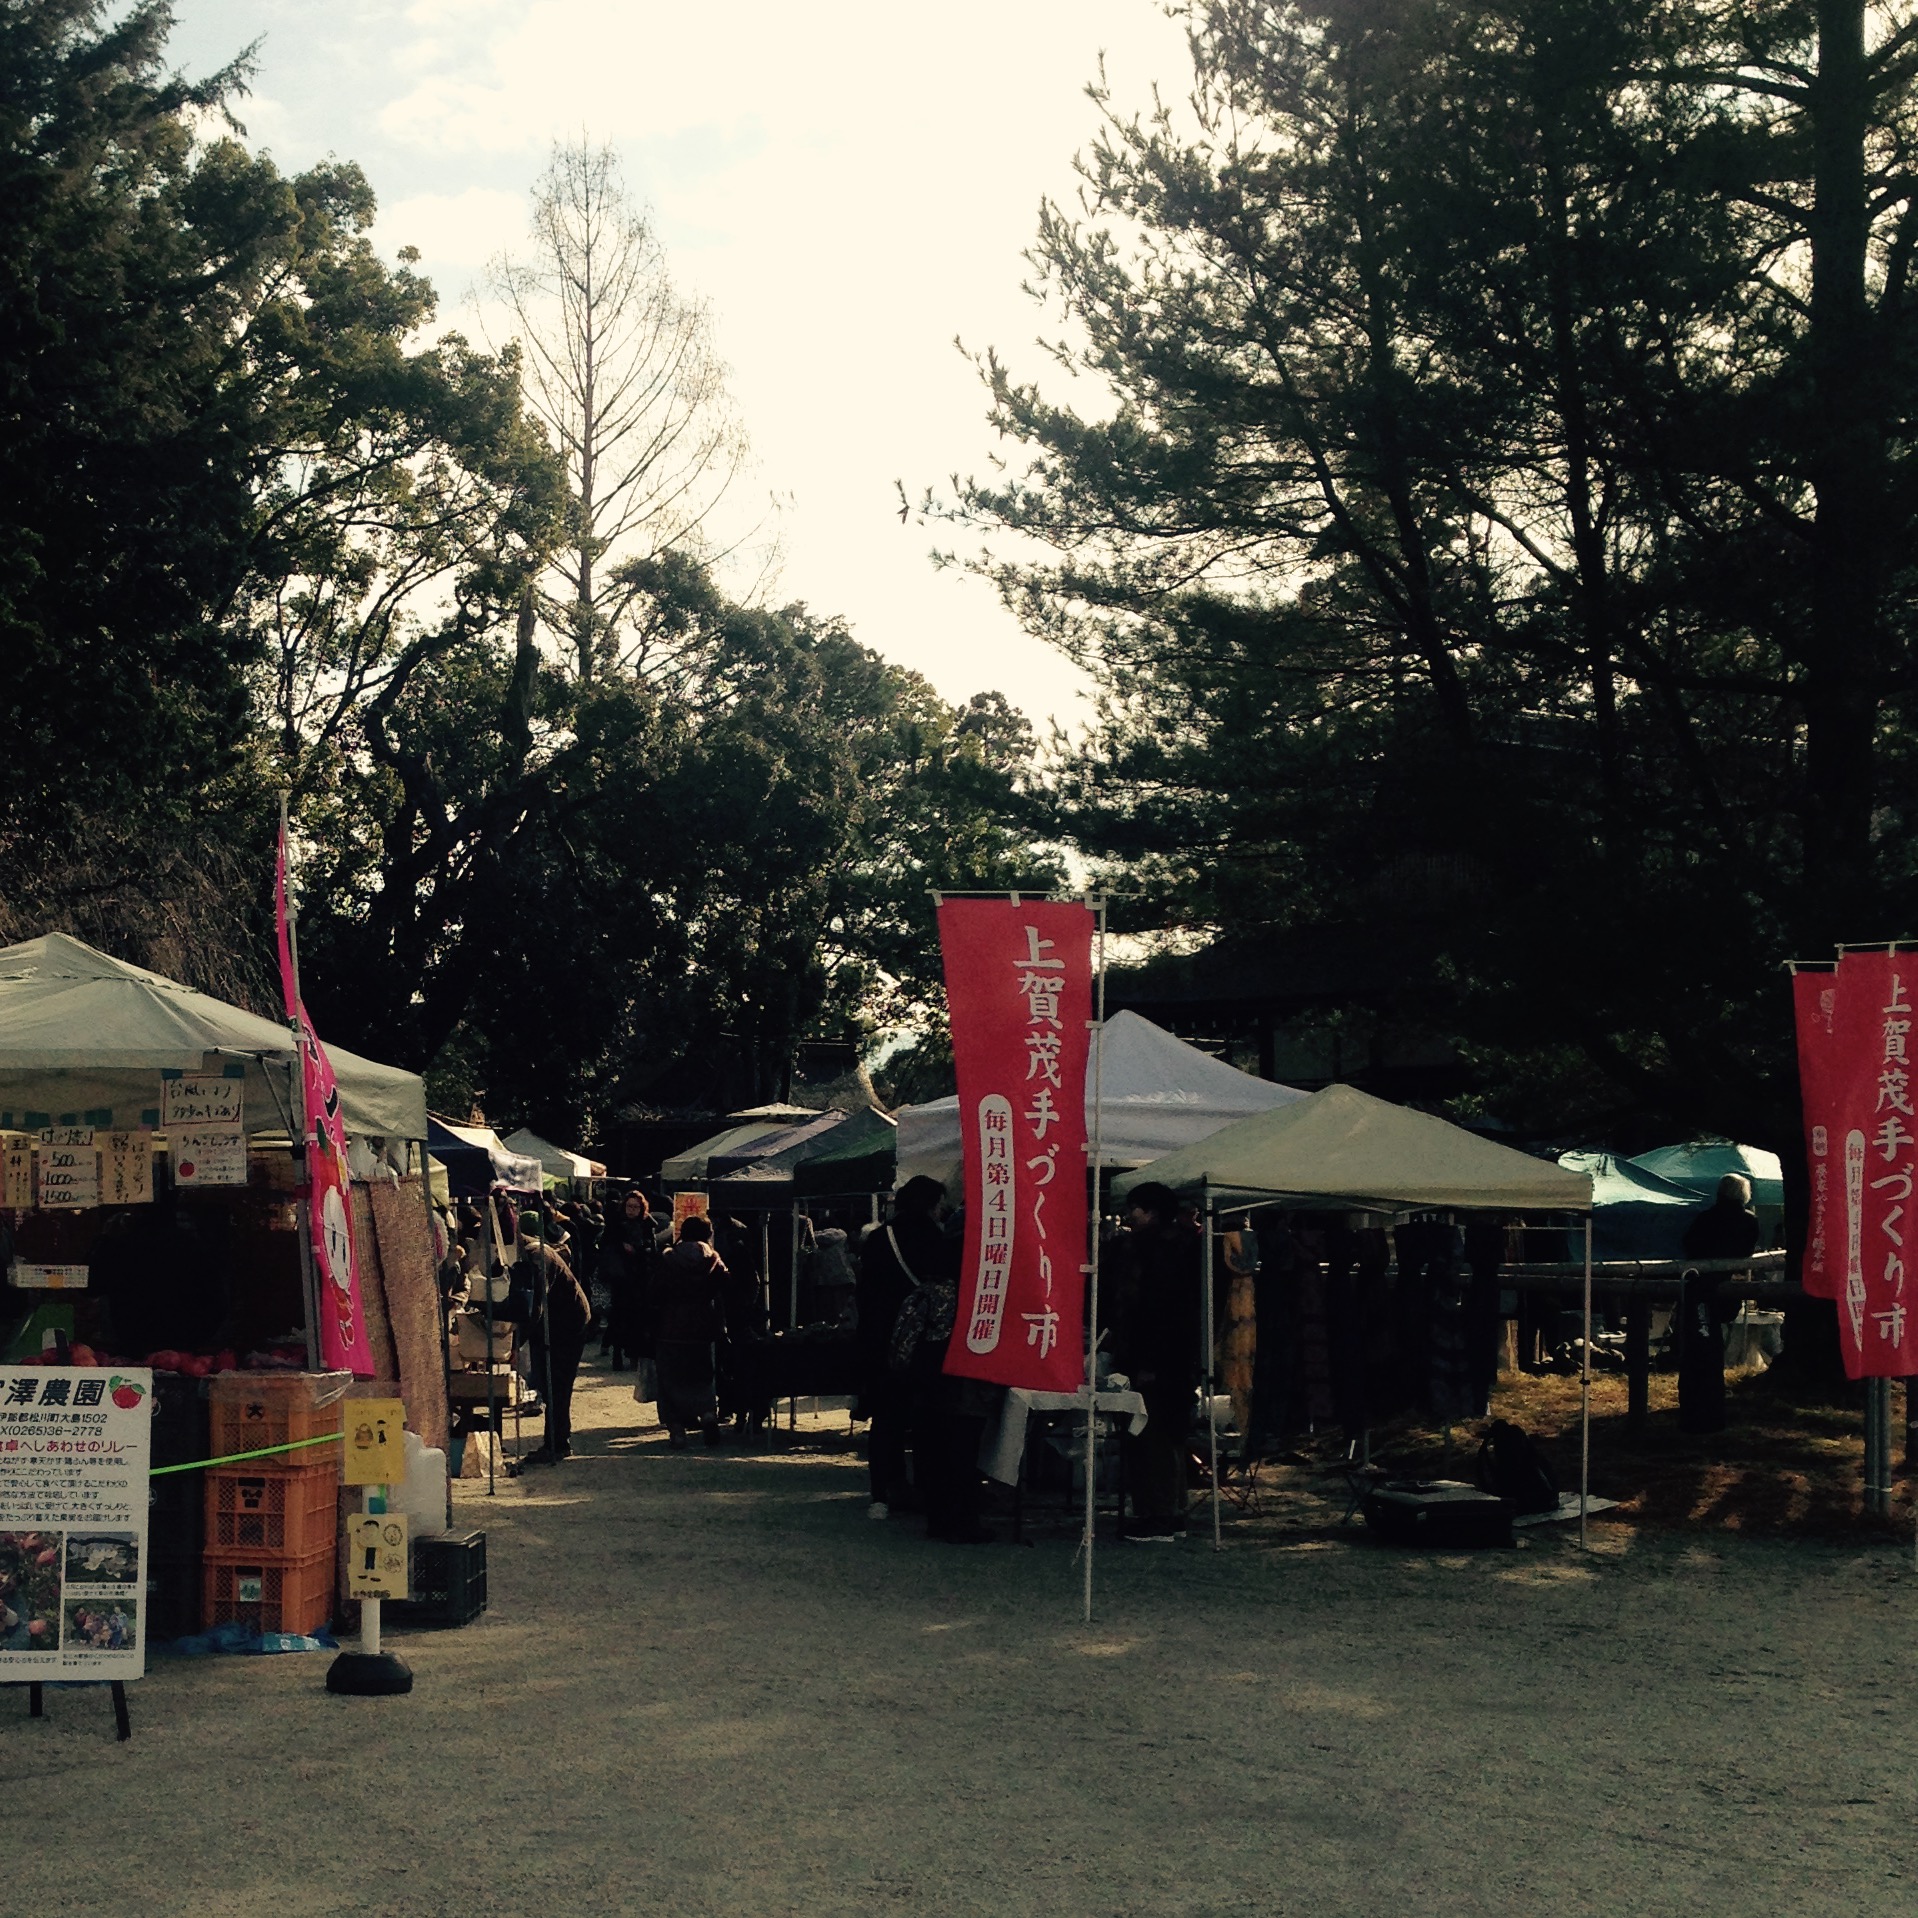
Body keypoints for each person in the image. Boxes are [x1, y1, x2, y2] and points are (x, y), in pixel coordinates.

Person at [1112, 1181, 1203, 1541]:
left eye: (1134, 1208)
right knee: (1168, 1435)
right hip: (1175, 1359)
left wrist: (1147, 1360)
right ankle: (1171, 1512)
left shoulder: (1155, 1251)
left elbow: (1157, 1311)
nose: (1128, 1215)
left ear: (1150, 1211)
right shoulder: (1181, 1246)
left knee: (1151, 1434)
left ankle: (1158, 1515)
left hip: (1156, 1358)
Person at [857, 1176, 947, 1520]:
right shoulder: (936, 1239)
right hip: (925, 1344)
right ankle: (924, 1490)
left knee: (885, 1423)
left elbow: (864, 1294)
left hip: (881, 1342)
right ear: (930, 1204)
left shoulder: (880, 1238)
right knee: (927, 1423)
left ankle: (880, 1494)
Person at [1678, 1173, 1759, 1435]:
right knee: (1713, 1352)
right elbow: (1746, 1252)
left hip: (1698, 1290)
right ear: (1744, 1195)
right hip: (1727, 1288)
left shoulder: (1705, 1219)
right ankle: (1712, 1415)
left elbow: (1689, 1245)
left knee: (1696, 1352)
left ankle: (1693, 1414)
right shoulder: (1749, 1222)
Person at [519, 1210, 592, 1466]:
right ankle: (557, 1441)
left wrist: (516, 1340)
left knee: (557, 1384)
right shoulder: (533, 1252)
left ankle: (557, 1444)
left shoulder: (538, 1256)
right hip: (557, 1322)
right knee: (548, 1382)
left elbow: (536, 1305)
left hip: (567, 1325)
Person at [655, 1215, 728, 1449]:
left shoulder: (667, 1258)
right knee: (702, 1374)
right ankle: (708, 1415)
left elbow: (653, 1292)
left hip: (670, 1326)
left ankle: (677, 1430)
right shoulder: (713, 1259)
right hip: (703, 1327)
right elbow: (728, 1285)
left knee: (670, 1378)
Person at [597, 1189, 656, 1370]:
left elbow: (652, 1248)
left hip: (640, 1278)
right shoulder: (615, 1225)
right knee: (619, 1316)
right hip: (620, 1278)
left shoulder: (647, 1224)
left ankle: (633, 1356)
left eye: (636, 1207)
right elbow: (605, 1248)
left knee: (637, 1318)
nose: (632, 1210)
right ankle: (617, 1354)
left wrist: (641, 1250)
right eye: (629, 1206)